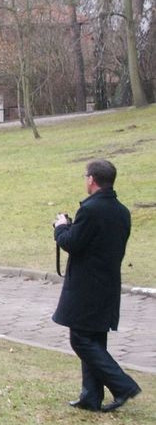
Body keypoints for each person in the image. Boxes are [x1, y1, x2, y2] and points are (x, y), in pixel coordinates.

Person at [53, 159, 140, 412]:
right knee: (95, 339)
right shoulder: (121, 211)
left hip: (87, 286)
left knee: (80, 339)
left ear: (91, 179)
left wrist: (61, 228)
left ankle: (123, 385)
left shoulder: (90, 210)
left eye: (85, 177)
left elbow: (73, 243)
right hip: (108, 282)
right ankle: (91, 396)